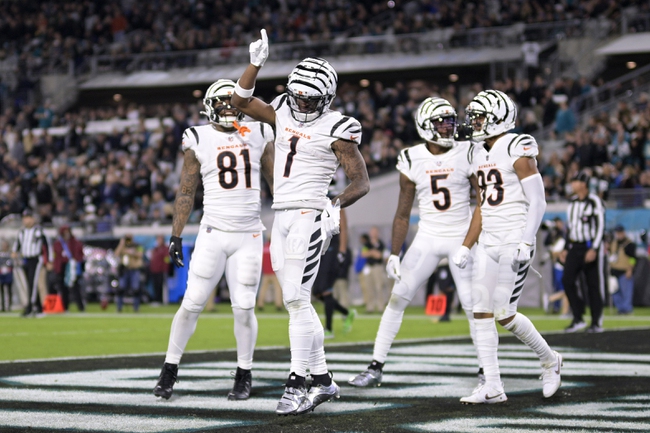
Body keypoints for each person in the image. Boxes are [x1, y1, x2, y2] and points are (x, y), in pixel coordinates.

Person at [232, 30, 370, 415]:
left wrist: (335, 204)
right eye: (299, 95)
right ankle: (324, 380)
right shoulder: (280, 108)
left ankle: (296, 383)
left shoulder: (340, 127)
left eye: (311, 98)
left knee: (295, 298)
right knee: (299, 302)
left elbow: (361, 182)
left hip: (311, 212)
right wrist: (255, 64)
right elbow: (237, 101)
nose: (303, 102)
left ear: (327, 98)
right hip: (281, 214)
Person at [154, 79, 275, 402]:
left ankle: (243, 373)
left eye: (231, 102)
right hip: (212, 233)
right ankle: (169, 369)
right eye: (220, 103)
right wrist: (176, 235)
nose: (227, 108)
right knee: (192, 302)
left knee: (244, 307)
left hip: (249, 234)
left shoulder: (260, 133)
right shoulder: (198, 137)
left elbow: (276, 183)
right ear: (209, 106)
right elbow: (186, 190)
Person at [349, 97, 482, 389]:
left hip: (460, 234)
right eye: (442, 121)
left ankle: (487, 370)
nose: (449, 127)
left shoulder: (468, 152)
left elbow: (482, 204)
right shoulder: (411, 158)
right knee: (397, 298)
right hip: (428, 237)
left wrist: (469, 244)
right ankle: (375, 366)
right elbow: (402, 213)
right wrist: (394, 254)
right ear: (426, 125)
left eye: (450, 120)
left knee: (474, 306)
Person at [452, 90, 562, 404]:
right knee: (481, 311)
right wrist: (466, 245)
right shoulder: (475, 153)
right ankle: (493, 386)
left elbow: (538, 200)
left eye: (479, 116)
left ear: (498, 118)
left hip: (515, 236)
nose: (473, 122)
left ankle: (550, 359)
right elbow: (481, 206)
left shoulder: (517, 145)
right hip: (488, 239)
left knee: (504, 312)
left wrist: (528, 239)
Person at [561, 171, 606, 333]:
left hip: (590, 246)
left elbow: (601, 226)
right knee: (567, 280)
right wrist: (566, 248)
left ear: (583, 184)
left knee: (593, 284)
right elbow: (570, 228)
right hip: (575, 246)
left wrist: (594, 248)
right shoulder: (572, 203)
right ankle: (578, 316)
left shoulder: (594, 201)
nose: (572, 184)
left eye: (575, 181)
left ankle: (596, 321)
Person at [312, 207, 356, 339]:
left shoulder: (335, 203)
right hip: (322, 250)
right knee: (317, 291)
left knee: (325, 290)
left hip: (333, 249)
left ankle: (329, 329)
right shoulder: (316, 202)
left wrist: (342, 251)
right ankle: (346, 313)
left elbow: (344, 227)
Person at [12, 208, 52, 317]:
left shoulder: (39, 230)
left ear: (33, 219)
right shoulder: (22, 232)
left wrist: (49, 261)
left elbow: (47, 246)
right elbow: (17, 245)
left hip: (36, 259)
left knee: (33, 283)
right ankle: (37, 307)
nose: (27, 220)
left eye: (29, 218)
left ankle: (31, 307)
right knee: (29, 283)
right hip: (25, 259)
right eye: (25, 218)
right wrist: (14, 252)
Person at [52, 225, 85, 312]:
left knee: (75, 288)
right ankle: (65, 307)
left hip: (72, 267)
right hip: (62, 267)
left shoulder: (74, 242)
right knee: (63, 289)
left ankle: (81, 307)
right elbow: (56, 256)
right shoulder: (58, 243)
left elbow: (79, 253)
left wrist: (76, 261)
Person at [360, 226, 388, 313]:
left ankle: (380, 307)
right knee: (369, 287)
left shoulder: (381, 244)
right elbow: (363, 254)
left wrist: (371, 253)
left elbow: (380, 255)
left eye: (375, 232)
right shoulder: (367, 244)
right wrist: (372, 252)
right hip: (368, 267)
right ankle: (370, 307)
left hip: (377, 267)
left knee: (379, 287)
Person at [609, 224, 636, 315]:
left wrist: (630, 270)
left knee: (626, 292)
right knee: (615, 292)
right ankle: (620, 309)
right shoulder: (613, 243)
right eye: (617, 233)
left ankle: (627, 309)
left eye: (620, 232)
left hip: (624, 271)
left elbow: (632, 258)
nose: (619, 234)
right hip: (614, 271)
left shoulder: (629, 244)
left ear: (623, 232)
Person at [114, 233, 144, 312]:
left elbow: (141, 254)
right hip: (124, 270)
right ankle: (119, 308)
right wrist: (121, 244)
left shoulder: (137, 245)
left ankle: (136, 308)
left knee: (136, 289)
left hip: (134, 269)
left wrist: (131, 252)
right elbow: (116, 254)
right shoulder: (123, 246)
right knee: (121, 288)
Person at [257, 235, 283, 312]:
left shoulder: (264, 248)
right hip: (274, 273)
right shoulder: (275, 248)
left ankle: (260, 304)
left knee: (263, 289)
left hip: (266, 273)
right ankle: (279, 304)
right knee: (278, 289)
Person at [148, 235, 170, 305]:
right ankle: (156, 299)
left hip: (161, 271)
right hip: (154, 270)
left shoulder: (165, 248)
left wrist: (165, 268)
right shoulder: (155, 249)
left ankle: (161, 300)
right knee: (155, 286)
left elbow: (167, 259)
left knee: (161, 286)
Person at [0, 238, 13, 311]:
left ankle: (9, 305)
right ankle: (2, 306)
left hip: (8, 273)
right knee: (1, 290)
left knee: (9, 290)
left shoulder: (10, 254)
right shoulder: (1, 254)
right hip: (1, 274)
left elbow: (12, 263)